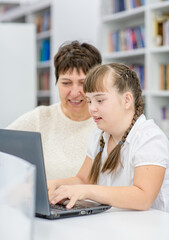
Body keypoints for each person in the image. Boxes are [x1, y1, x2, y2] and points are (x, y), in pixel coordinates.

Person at [48, 63, 169, 212]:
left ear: (126, 100)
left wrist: (87, 191)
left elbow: (143, 198)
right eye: (89, 101)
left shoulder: (150, 138)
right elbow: (83, 180)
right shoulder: (98, 135)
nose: (92, 108)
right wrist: (56, 184)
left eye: (100, 100)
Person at [7, 40, 102, 179]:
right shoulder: (40, 118)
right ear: (57, 83)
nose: (74, 92)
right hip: (47, 201)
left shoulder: (108, 123)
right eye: (66, 83)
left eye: (83, 83)